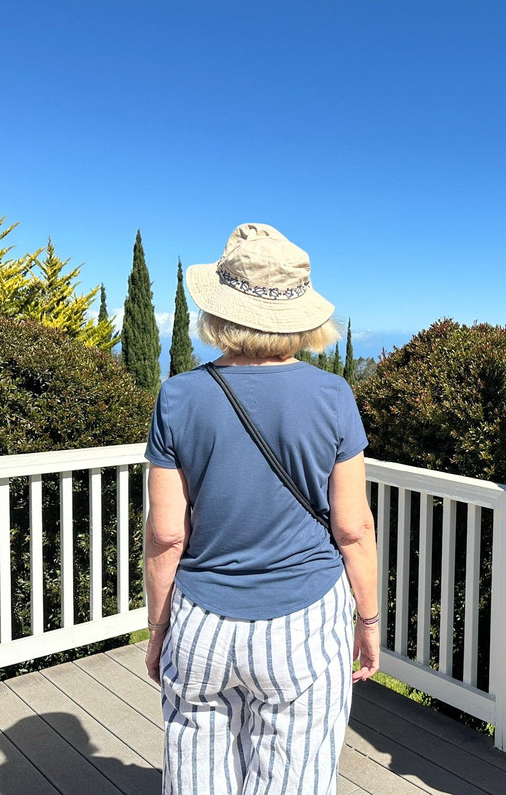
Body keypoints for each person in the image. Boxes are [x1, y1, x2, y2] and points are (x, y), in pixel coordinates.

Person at [143, 223, 380, 795]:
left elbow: (166, 535)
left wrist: (158, 629)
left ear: (220, 309)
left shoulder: (178, 395)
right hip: (305, 623)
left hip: (201, 621)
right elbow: (353, 528)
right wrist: (368, 622)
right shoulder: (332, 397)